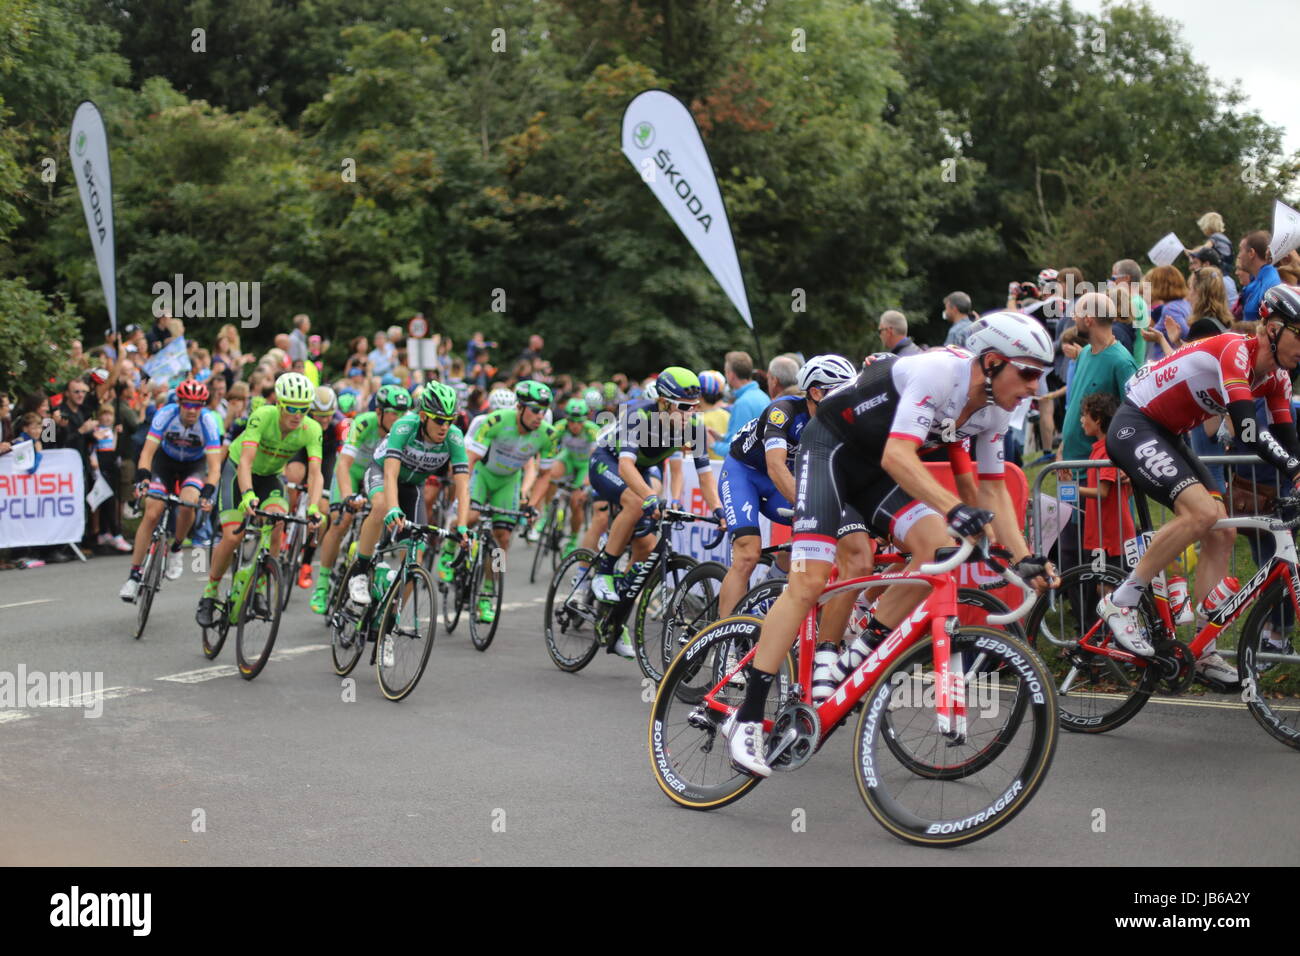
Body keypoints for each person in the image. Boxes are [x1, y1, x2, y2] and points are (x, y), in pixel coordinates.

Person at [724, 312, 1059, 777]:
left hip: (875, 473)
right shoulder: (939, 372)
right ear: (994, 361)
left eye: (1039, 376)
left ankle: (857, 654)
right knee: (808, 582)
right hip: (830, 451)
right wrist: (955, 508)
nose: (1033, 387)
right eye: (1027, 373)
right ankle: (747, 717)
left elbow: (993, 488)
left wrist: (1024, 558)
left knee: (939, 552)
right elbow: (898, 455)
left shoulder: (998, 408)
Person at [1099, 285, 1300, 687]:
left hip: (1169, 434)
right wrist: (1295, 468)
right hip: (1135, 423)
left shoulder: (1277, 378)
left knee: (1221, 531)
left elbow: (1287, 437)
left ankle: (1203, 651)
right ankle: (1120, 601)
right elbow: (1246, 428)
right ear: (1272, 329)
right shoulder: (1235, 351)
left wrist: (1296, 471)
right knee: (1203, 513)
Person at [587, 369, 724, 653]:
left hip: (639, 469)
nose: (691, 413)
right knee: (638, 503)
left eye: (695, 406)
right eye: (685, 407)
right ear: (664, 403)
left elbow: (705, 476)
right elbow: (625, 467)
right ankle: (604, 570)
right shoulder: (639, 416)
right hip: (607, 462)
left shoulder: (693, 428)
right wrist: (651, 496)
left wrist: (719, 510)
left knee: (646, 549)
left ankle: (613, 622)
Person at [716, 355, 858, 621]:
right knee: (748, 554)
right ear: (816, 392)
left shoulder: (839, 423)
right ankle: (724, 643)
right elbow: (776, 467)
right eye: (841, 392)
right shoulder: (783, 411)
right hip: (745, 474)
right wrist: (811, 508)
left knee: (802, 545)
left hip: (778, 483)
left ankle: (766, 591)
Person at [197, 373, 324, 628]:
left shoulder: (312, 429)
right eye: (291, 408)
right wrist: (247, 495)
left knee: (277, 523)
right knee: (233, 535)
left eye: (304, 409)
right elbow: (245, 461)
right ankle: (209, 594)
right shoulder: (263, 417)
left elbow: (316, 473)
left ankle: (259, 589)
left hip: (271, 477)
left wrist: (313, 507)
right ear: (279, 405)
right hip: (238, 472)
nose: (297, 415)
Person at [346, 383, 472, 606]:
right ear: (423, 416)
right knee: (382, 506)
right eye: (439, 420)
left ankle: (387, 623)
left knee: (415, 562)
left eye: (450, 421)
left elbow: (462, 486)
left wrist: (462, 526)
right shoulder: (405, 426)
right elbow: (391, 472)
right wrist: (394, 507)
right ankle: (360, 572)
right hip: (381, 472)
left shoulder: (454, 437)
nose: (445, 427)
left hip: (413, 487)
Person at [460, 380, 558, 623]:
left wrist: (533, 504)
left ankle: (487, 594)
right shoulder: (494, 421)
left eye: (544, 410)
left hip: (508, 482)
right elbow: (470, 461)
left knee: (502, 539)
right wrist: (463, 497)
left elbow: (544, 474)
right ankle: (451, 549)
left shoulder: (547, 434)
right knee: (471, 517)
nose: (540, 415)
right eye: (535, 409)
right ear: (520, 408)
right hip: (482, 475)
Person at [309, 384, 413, 612]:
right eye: (394, 413)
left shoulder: (404, 431)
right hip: (354, 474)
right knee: (341, 521)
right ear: (379, 412)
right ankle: (323, 584)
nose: (398, 419)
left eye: (403, 414)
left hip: (377, 480)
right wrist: (348, 497)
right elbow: (344, 465)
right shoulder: (363, 423)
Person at [119, 379, 224, 601]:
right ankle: (133, 576)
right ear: (179, 403)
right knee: (152, 511)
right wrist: (143, 479)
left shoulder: (208, 421)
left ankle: (176, 547)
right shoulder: (166, 414)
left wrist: (208, 492)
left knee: (189, 503)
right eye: (188, 404)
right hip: (164, 463)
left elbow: (214, 467)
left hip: (193, 467)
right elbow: (147, 453)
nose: (192, 410)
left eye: (198, 405)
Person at [1077, 393, 1134, 574]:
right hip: (1103, 533)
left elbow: (1103, 492)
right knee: (1101, 586)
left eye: (1085, 415)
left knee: (1107, 587)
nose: (1081, 420)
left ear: (1098, 419)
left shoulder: (1107, 451)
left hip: (1111, 535)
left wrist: (1072, 489)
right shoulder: (1099, 450)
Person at [713, 351, 767, 458]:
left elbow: (737, 448)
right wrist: (722, 437)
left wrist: (713, 444)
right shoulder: (763, 396)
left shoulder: (743, 403)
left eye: (725, 372)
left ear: (731, 375)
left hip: (748, 469)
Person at [1238, 230, 1282, 322]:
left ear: (1251, 253)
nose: (1239, 256)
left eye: (1240, 250)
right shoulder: (1258, 280)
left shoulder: (1271, 284)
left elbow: (1272, 326)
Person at [697, 370, 730, 462]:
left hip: (706, 468)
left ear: (699, 395)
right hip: (724, 466)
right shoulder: (727, 415)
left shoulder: (698, 419)